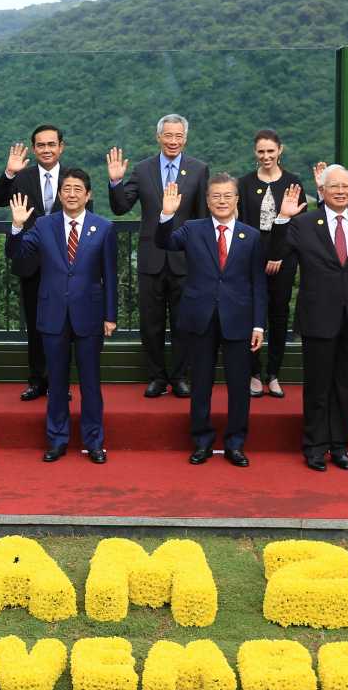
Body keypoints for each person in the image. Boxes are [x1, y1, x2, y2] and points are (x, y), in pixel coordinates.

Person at [269, 169, 348, 471]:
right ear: (322, 190)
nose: (341, 191)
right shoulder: (304, 223)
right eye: (335, 186)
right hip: (318, 317)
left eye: (346, 186)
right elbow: (275, 252)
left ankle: (340, 446)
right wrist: (282, 219)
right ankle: (315, 446)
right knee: (318, 387)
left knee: (347, 387)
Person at [7, 169, 118, 464]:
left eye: (77, 189)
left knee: (90, 383)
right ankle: (57, 440)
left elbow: (110, 275)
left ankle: (94, 441)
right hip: (53, 312)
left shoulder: (103, 227)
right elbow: (17, 254)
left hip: (89, 314)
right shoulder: (43, 225)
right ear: (59, 194)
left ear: (88, 195)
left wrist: (110, 315)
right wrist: (17, 227)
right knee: (56, 382)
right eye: (66, 189)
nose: (71, 194)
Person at [156, 175, 267, 467]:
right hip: (200, 318)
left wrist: (258, 324)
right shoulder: (192, 229)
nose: (222, 201)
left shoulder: (251, 236)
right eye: (216, 196)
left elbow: (258, 283)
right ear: (207, 200)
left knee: (239, 386)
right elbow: (164, 241)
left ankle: (235, 444)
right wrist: (166, 214)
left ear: (236, 200)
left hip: (239, 320)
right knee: (201, 384)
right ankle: (202, 442)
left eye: (227, 196)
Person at [107, 114, 209, 398]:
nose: (173, 141)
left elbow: (202, 217)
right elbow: (121, 207)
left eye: (178, 136)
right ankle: (156, 377)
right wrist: (115, 182)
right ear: (159, 137)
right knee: (150, 323)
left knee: (183, 322)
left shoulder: (199, 169)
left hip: (185, 260)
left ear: (185, 139)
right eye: (168, 135)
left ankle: (180, 377)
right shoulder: (143, 169)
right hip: (151, 258)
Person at [0, 124, 67, 401]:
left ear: (61, 147)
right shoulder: (22, 177)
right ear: (34, 149)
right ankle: (37, 381)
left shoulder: (73, 178)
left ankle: (59, 383)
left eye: (51, 144)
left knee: (62, 327)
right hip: (31, 262)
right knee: (35, 326)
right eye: (41, 145)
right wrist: (9, 173)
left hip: (64, 265)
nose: (46, 149)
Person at [236, 129, 302, 399]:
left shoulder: (292, 182)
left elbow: (297, 225)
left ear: (280, 150)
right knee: (251, 314)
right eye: (261, 151)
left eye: (271, 151)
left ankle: (273, 373)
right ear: (255, 152)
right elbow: (240, 223)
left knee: (278, 314)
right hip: (251, 258)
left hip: (284, 260)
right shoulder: (244, 183)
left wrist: (278, 255)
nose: (266, 156)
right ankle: (253, 372)